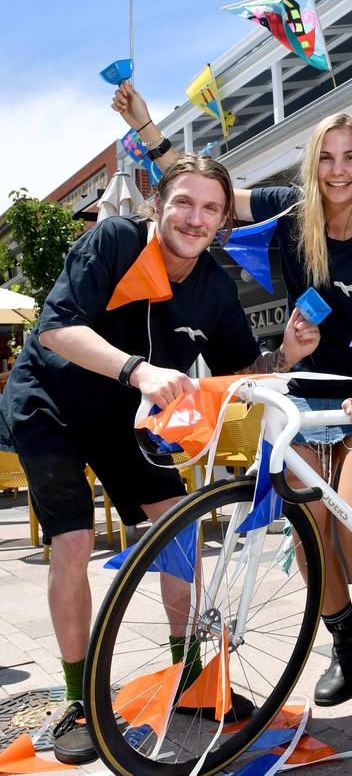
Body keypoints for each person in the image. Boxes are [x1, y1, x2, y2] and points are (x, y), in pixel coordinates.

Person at [0, 154, 319, 765]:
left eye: (210, 209)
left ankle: (191, 676)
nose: (195, 218)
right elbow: (53, 329)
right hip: (50, 401)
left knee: (179, 522)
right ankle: (76, 699)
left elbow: (242, 375)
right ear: (158, 205)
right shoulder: (115, 240)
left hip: (127, 411)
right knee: (70, 543)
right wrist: (138, 370)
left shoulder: (216, 287)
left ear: (224, 222)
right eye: (184, 203)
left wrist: (287, 358)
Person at [112, 83, 352, 707]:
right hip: (299, 399)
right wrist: (146, 125)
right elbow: (206, 197)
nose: (337, 170)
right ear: (313, 164)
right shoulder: (292, 213)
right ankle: (344, 644)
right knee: (308, 532)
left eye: (351, 156)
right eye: (327, 157)